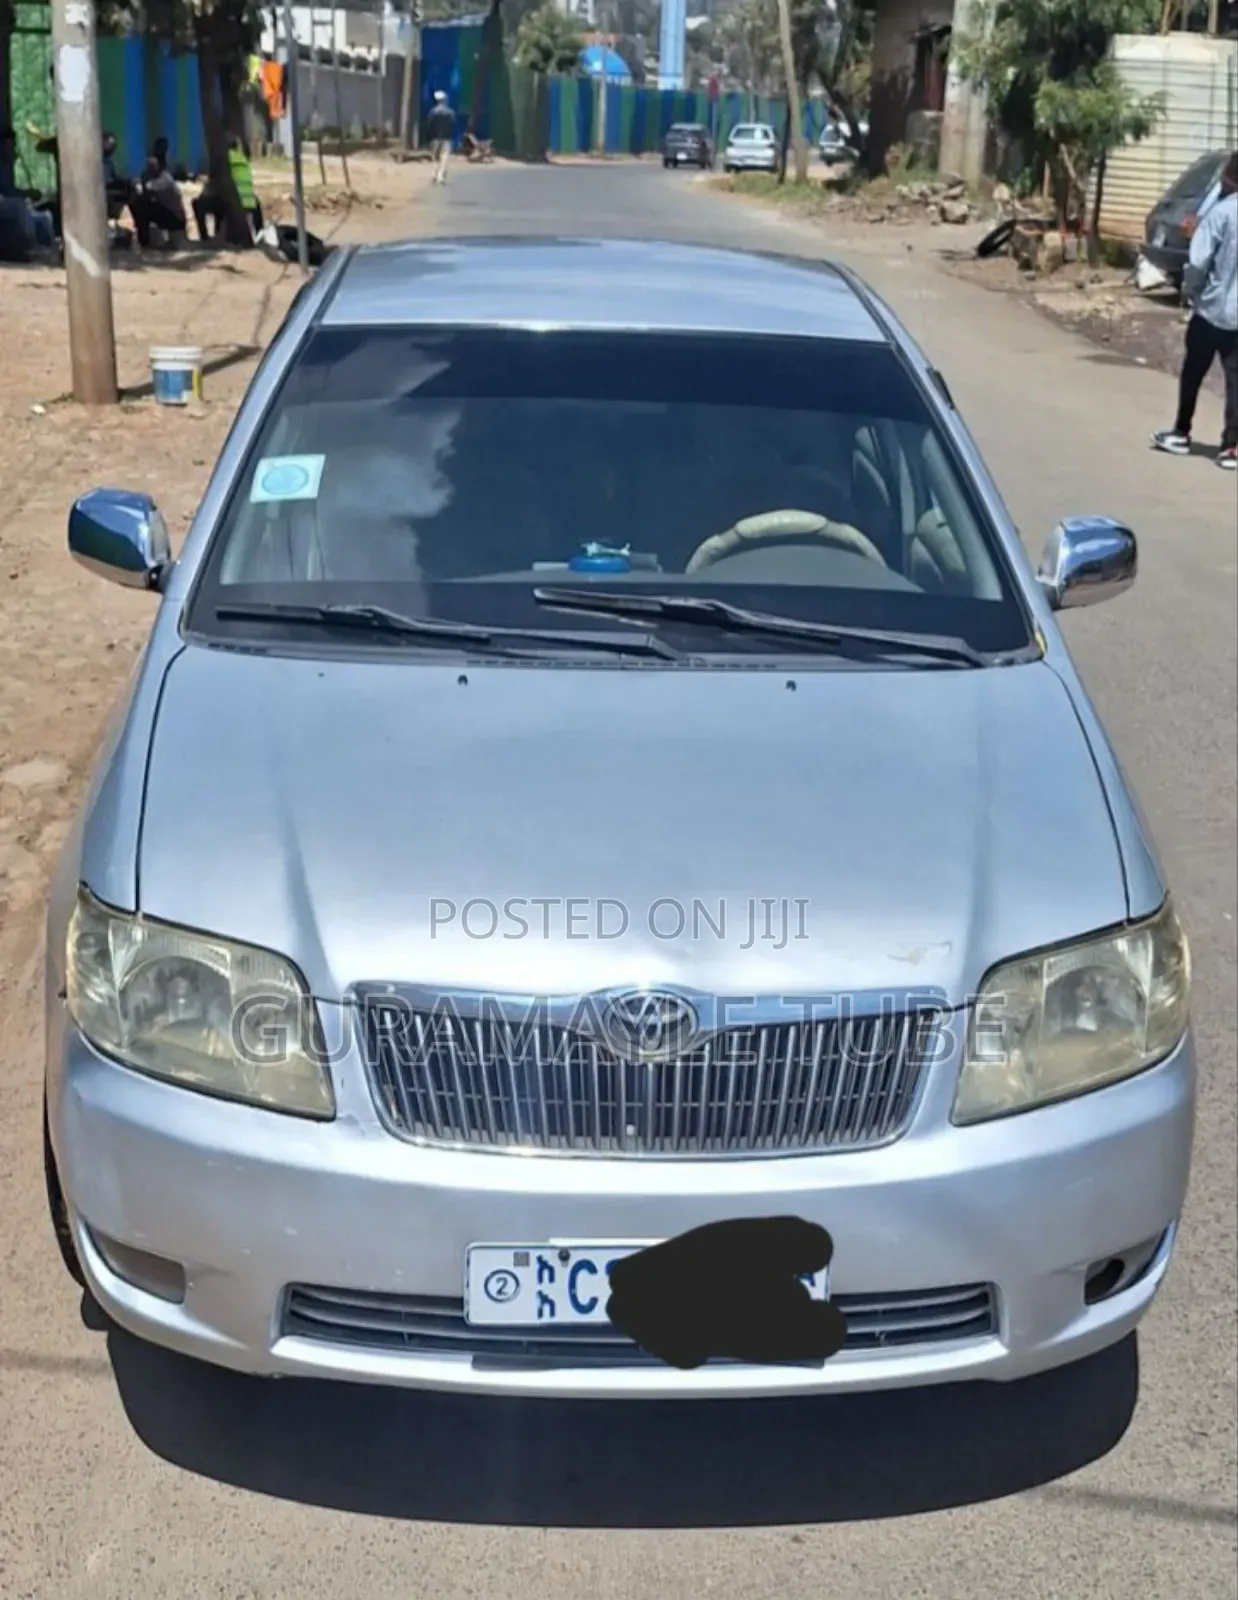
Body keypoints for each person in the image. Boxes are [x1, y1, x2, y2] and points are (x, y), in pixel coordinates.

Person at [1152, 151, 1238, 471]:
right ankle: (1231, 447)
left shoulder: (1221, 213)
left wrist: (1190, 288)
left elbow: (1199, 263)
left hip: (1212, 308)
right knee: (1235, 381)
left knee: (1193, 372)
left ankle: (1181, 432)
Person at [192, 136, 263, 241]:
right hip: (250, 202)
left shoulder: (223, 160)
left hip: (231, 202)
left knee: (199, 204)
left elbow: (212, 186)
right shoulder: (243, 159)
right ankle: (259, 235)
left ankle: (205, 237)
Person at [129, 155, 188, 248]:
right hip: (166, 212)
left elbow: (150, 187)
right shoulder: (157, 177)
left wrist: (141, 183)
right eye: (149, 166)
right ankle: (145, 240)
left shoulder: (165, 179)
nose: (150, 168)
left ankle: (145, 242)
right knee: (139, 206)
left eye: (153, 166)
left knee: (142, 210)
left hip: (175, 217)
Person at [427, 90, 456, 186]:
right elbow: (453, 124)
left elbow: (430, 125)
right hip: (447, 138)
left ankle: (434, 174)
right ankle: (440, 176)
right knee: (444, 157)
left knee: (435, 157)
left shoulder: (433, 112)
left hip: (435, 138)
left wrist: (430, 137)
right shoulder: (450, 112)